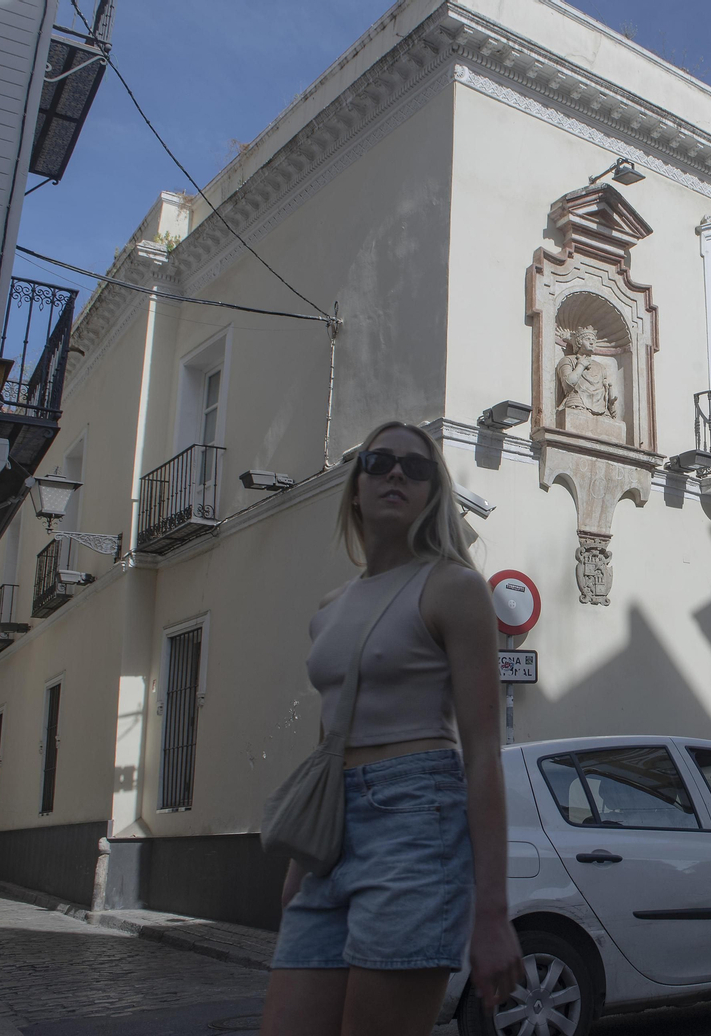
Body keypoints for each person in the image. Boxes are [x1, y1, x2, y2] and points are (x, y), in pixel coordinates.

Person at [261, 421, 524, 1036]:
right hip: (330, 840)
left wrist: (493, 914)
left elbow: (484, 755)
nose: (397, 473)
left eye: (417, 467)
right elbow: (329, 740)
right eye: (379, 462)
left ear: (433, 493)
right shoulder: (328, 610)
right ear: (355, 488)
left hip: (415, 820)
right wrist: (301, 863)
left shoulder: (454, 587)